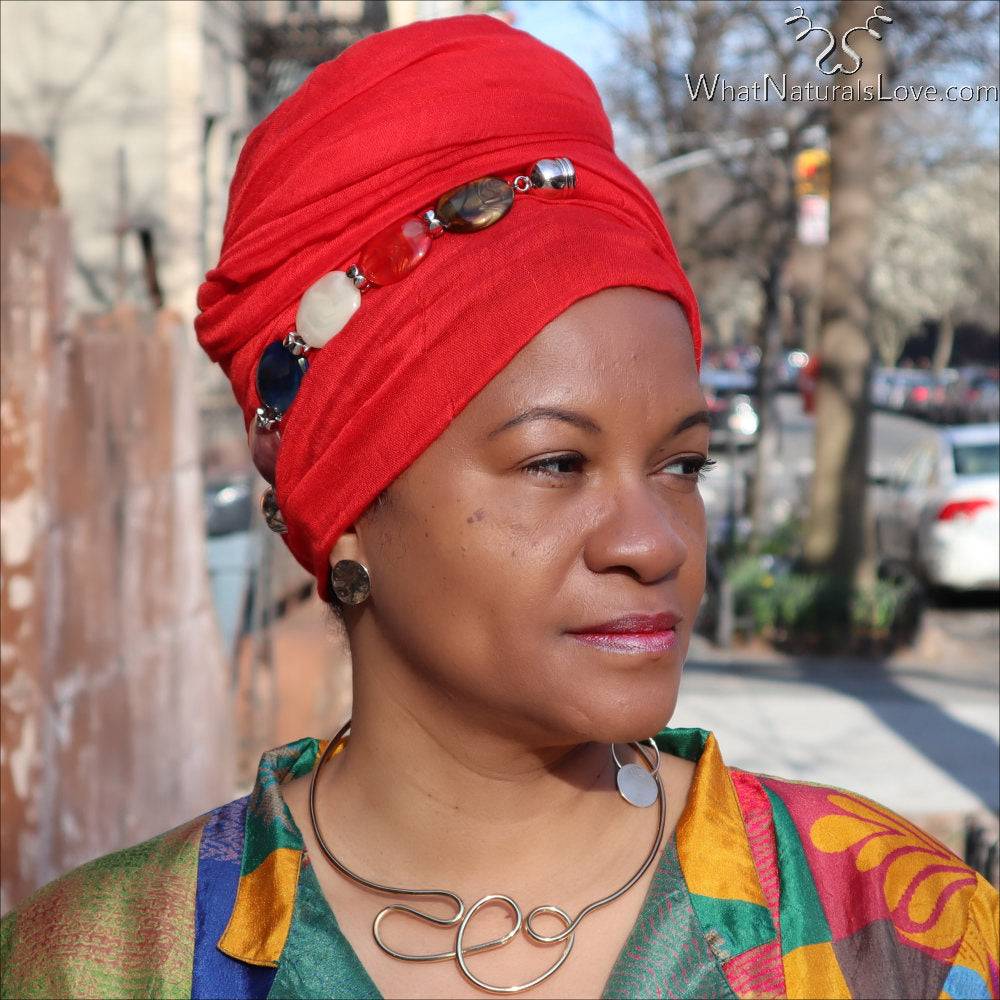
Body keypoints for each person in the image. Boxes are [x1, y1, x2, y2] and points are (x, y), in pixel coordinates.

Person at [2, 14, 997, 1000]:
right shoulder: (104, 964)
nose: (653, 544)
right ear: (345, 509)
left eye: (682, 465)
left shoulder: (895, 932)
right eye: (557, 463)